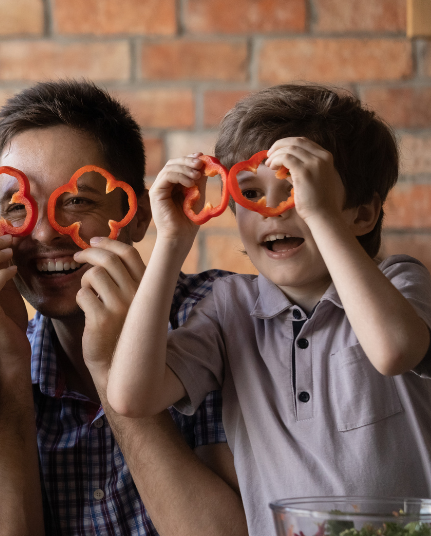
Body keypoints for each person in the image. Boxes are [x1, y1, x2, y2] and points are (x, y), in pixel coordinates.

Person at [108, 84, 431, 535]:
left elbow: (394, 350)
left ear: (361, 215)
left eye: (298, 191)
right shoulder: (229, 308)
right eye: (251, 193)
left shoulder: (400, 282)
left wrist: (320, 215)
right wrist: (172, 241)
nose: (273, 211)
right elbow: (131, 397)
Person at [0, 80, 247, 536]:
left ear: (140, 214)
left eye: (77, 201)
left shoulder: (223, 319)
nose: (45, 233)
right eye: (18, 207)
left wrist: (111, 369)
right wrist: (9, 367)